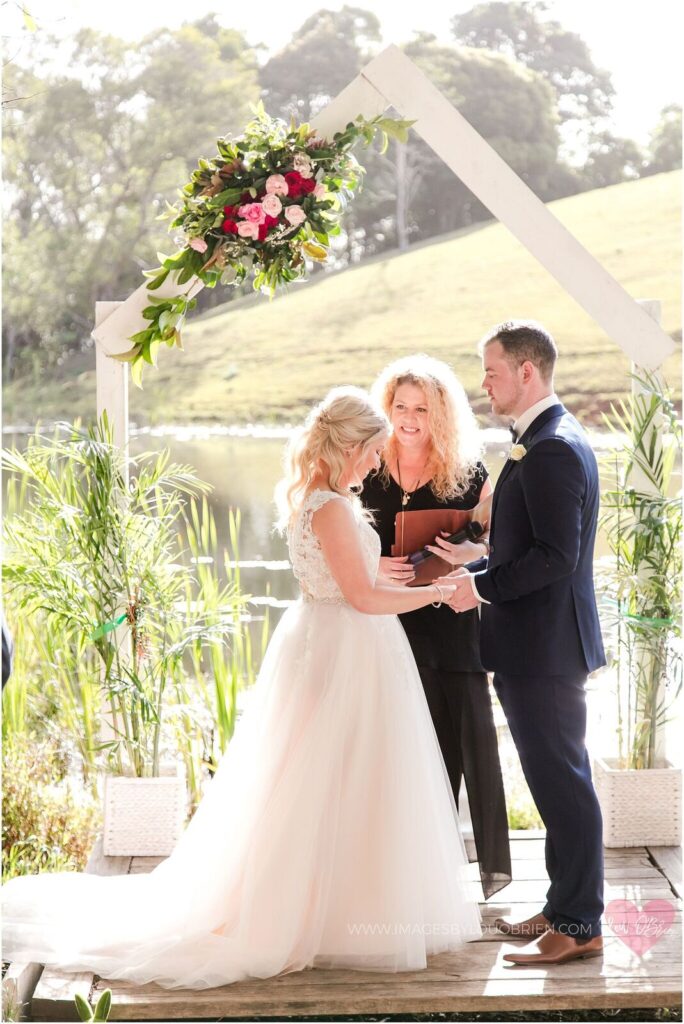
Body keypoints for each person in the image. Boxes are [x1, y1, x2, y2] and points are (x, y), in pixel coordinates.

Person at [2, 386, 481, 990]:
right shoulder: (331, 507)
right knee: (327, 781)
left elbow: (351, 581)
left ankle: (340, 913)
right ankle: (321, 917)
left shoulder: (322, 499)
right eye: (372, 452)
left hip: (338, 645)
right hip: (345, 650)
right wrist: (440, 591)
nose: (376, 464)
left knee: (338, 780)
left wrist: (397, 575)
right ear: (351, 446)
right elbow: (361, 598)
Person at [442, 321, 606, 966]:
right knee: (554, 777)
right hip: (538, 646)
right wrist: (478, 561)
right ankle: (563, 904)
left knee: (563, 783)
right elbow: (528, 545)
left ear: (527, 372)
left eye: (491, 371)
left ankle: (580, 924)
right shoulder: (541, 440)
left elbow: (554, 558)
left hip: (544, 650)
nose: (484, 383)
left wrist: (478, 588)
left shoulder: (554, 448)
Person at [360, 355, 511, 901]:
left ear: (440, 414)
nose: (408, 417)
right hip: (386, 621)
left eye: (421, 408)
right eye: (400, 406)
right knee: (396, 742)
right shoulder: (367, 465)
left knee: (461, 742)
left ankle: (447, 870)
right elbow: (337, 539)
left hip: (452, 622)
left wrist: (475, 550)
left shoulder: (468, 473)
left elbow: (501, 542)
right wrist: (373, 563)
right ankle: (389, 865)